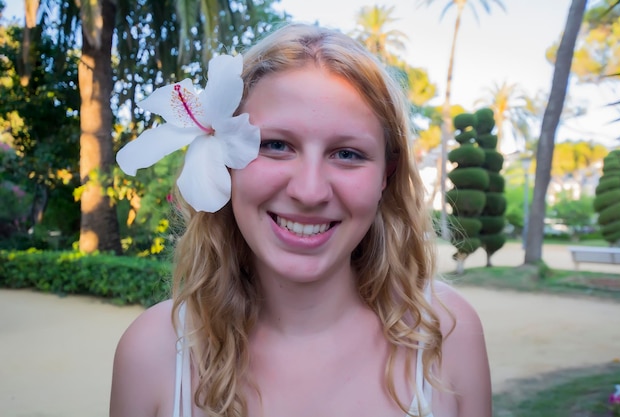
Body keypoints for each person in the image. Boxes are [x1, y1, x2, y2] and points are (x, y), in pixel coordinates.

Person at [110, 23, 491, 417]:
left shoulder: (447, 332)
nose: (310, 192)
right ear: (225, 160)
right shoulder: (151, 353)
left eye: (347, 154)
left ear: (386, 176)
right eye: (275, 145)